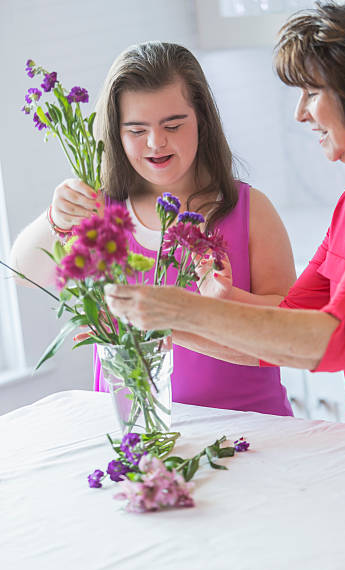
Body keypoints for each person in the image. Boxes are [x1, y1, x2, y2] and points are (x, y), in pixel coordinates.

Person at [103, 0, 345, 429]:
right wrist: (159, 327)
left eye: (312, 93)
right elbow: (285, 327)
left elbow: (342, 336)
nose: (300, 112)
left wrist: (178, 310)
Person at [10, 42, 296, 416]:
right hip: (134, 435)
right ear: (115, 132)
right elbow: (22, 273)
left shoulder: (249, 210)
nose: (156, 142)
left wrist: (192, 314)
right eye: (136, 130)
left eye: (173, 125)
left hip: (253, 430)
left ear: (203, 121)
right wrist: (56, 220)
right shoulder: (101, 209)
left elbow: (293, 327)